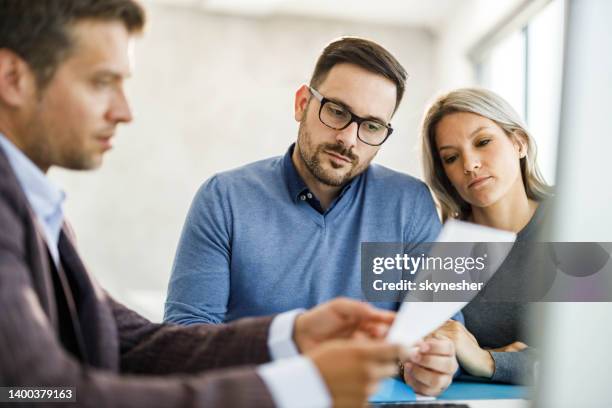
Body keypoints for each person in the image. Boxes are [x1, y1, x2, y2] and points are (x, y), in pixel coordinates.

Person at [0, 1, 453, 406]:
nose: (125, 111)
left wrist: (293, 334)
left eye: (371, 126)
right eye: (102, 82)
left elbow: (129, 341)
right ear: (13, 79)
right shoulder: (225, 197)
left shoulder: (43, 212)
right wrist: (296, 385)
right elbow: (35, 392)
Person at [419, 87, 553, 385]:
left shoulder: (575, 222)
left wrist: (488, 360)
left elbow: (589, 352)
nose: (470, 165)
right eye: (451, 158)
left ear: (519, 142)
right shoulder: (443, 246)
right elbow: (426, 349)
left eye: (483, 142)